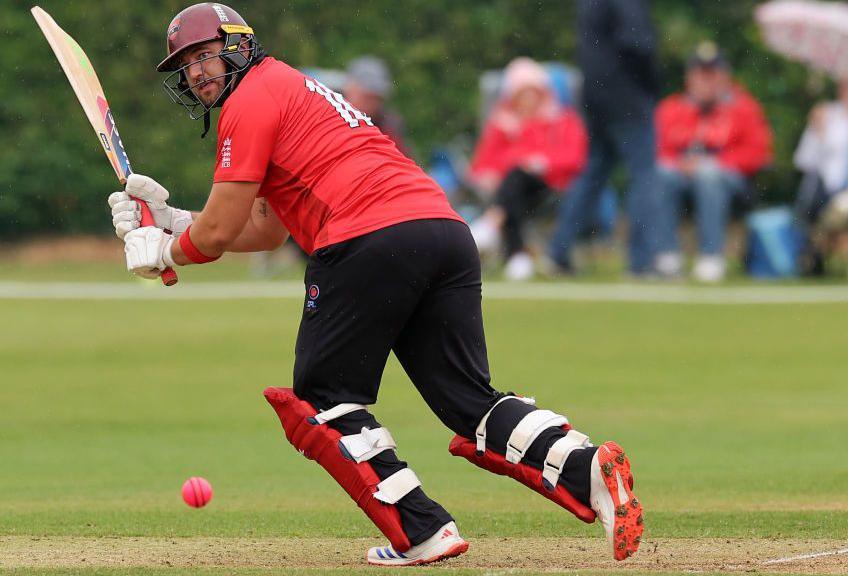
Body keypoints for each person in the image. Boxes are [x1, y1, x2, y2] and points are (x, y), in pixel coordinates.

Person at [109, 3, 642, 566]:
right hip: (441, 232)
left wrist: (164, 251)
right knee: (468, 401)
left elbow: (218, 235)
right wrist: (174, 222)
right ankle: (589, 471)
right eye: (186, 63)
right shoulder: (291, 87)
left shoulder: (249, 101)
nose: (195, 71)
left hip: (369, 238)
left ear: (238, 45)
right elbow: (263, 229)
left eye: (204, 53)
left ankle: (421, 530)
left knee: (319, 398)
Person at [548, 0, 661, 276]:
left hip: (596, 95)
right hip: (627, 96)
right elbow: (637, 42)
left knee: (593, 174)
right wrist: (653, 83)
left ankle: (558, 251)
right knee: (644, 175)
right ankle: (642, 260)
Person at [655, 43, 773, 282]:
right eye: (700, 74)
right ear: (689, 78)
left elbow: (758, 153)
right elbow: (656, 152)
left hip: (730, 182)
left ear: (725, 76)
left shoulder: (744, 108)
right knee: (661, 174)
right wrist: (682, 164)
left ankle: (711, 257)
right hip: (682, 178)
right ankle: (667, 255)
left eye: (712, 74)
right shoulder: (671, 109)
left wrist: (716, 163)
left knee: (709, 175)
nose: (706, 81)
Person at [469, 58, 587, 281]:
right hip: (510, 187)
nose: (528, 100)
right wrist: (490, 173)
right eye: (522, 94)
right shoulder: (502, 123)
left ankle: (494, 227)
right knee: (514, 184)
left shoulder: (561, 120)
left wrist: (541, 162)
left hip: (548, 185)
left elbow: (575, 158)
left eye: (532, 93)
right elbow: (483, 162)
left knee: (516, 179)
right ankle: (517, 255)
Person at [793, 78, 848, 276]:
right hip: (829, 194)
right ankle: (810, 255)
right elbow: (803, 161)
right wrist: (818, 132)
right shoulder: (826, 116)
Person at [342, 56, 412, 157]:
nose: (373, 103)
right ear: (349, 87)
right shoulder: (327, 115)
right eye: (367, 96)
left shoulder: (390, 127)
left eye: (377, 98)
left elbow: (404, 163)